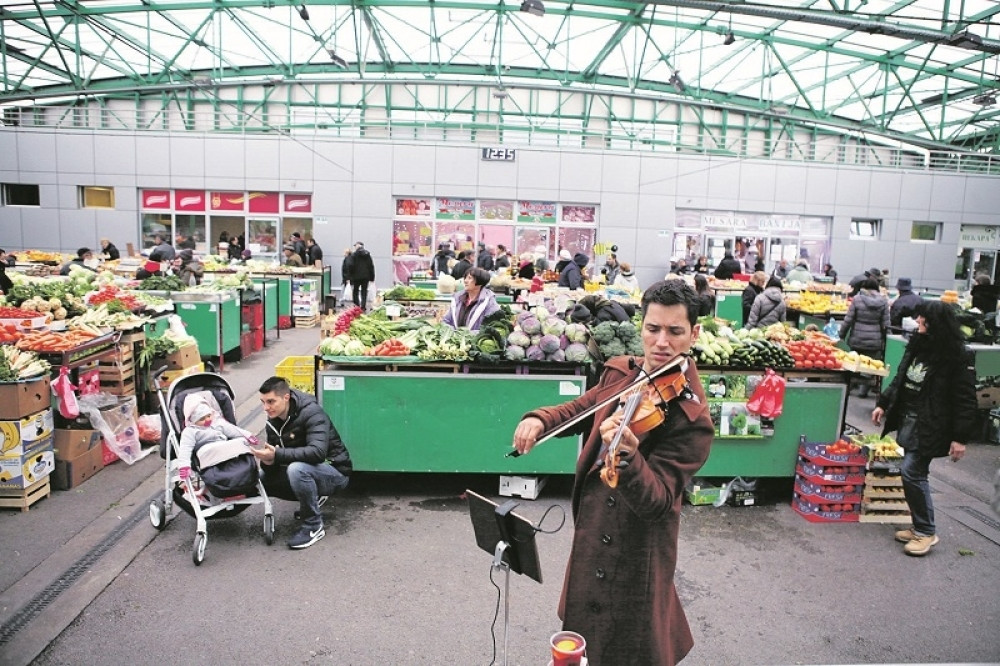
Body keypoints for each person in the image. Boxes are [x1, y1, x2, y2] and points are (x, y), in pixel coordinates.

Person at [510, 279, 713, 665]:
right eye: (653, 329)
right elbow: (580, 408)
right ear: (642, 328)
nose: (661, 343)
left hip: (638, 552)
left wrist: (630, 458)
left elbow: (658, 502)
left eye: (675, 331)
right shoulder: (623, 373)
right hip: (594, 530)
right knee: (585, 640)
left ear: (694, 334)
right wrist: (540, 420)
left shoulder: (692, 418)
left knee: (629, 646)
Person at [871, 300, 976, 556]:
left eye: (922, 319)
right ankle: (920, 526)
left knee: (911, 471)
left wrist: (960, 437)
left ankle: (926, 531)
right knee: (914, 472)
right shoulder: (918, 346)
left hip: (933, 423)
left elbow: (965, 398)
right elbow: (901, 377)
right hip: (910, 419)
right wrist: (884, 403)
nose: (918, 322)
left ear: (934, 324)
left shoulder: (956, 355)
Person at [254, 377, 352, 550]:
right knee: (260, 478)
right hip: (305, 470)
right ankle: (311, 499)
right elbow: (275, 465)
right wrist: (268, 461)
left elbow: (318, 452)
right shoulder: (272, 421)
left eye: (270, 402)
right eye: (263, 402)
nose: (266, 408)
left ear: (286, 397)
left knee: (296, 470)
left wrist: (277, 454)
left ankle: (314, 525)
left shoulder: (312, 412)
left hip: (335, 471)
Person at [176, 399, 257, 483]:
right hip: (207, 451)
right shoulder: (190, 431)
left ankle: (245, 474)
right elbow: (185, 449)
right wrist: (184, 466)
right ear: (193, 420)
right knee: (206, 450)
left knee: (241, 441)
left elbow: (232, 430)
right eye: (202, 419)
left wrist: (247, 435)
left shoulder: (217, 422)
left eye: (208, 416)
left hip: (223, 446)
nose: (207, 420)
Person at [840, 277, 889, 398]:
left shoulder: (857, 299)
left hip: (857, 338)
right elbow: (886, 324)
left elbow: (848, 320)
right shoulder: (883, 301)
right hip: (874, 340)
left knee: (853, 363)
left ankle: (849, 387)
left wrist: (841, 334)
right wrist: (887, 340)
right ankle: (863, 391)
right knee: (870, 366)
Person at [350, 242, 375, 311]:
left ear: (357, 247)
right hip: (365, 277)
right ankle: (363, 306)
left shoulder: (354, 255)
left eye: (355, 246)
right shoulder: (367, 255)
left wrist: (350, 277)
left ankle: (356, 306)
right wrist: (372, 277)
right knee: (364, 291)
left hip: (356, 277)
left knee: (355, 291)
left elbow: (351, 266)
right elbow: (371, 266)